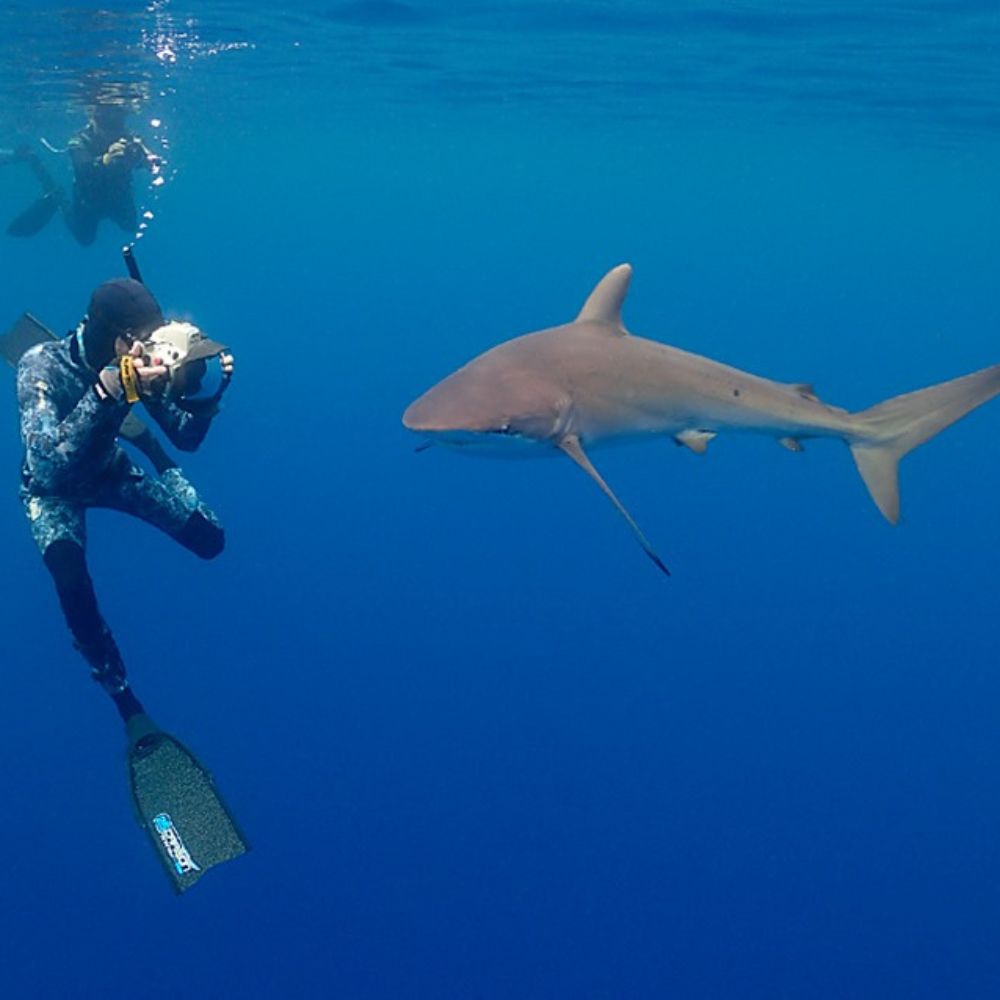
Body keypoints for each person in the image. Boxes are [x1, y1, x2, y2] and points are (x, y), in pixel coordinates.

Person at [17, 278, 234, 721]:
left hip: (108, 469)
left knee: (211, 541)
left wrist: (200, 393)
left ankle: (148, 450)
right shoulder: (40, 365)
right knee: (72, 588)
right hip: (51, 493)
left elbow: (186, 438)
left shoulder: (141, 365)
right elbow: (46, 467)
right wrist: (109, 390)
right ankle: (125, 702)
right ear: (117, 338)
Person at [6, 101, 158, 245]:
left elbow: (141, 156)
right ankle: (59, 198)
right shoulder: (79, 141)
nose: (111, 132)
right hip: (88, 200)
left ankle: (57, 194)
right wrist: (106, 160)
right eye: (106, 124)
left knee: (130, 226)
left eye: (117, 124)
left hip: (118, 195)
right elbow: (83, 168)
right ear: (93, 119)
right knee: (85, 239)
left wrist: (146, 161)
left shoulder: (129, 139)